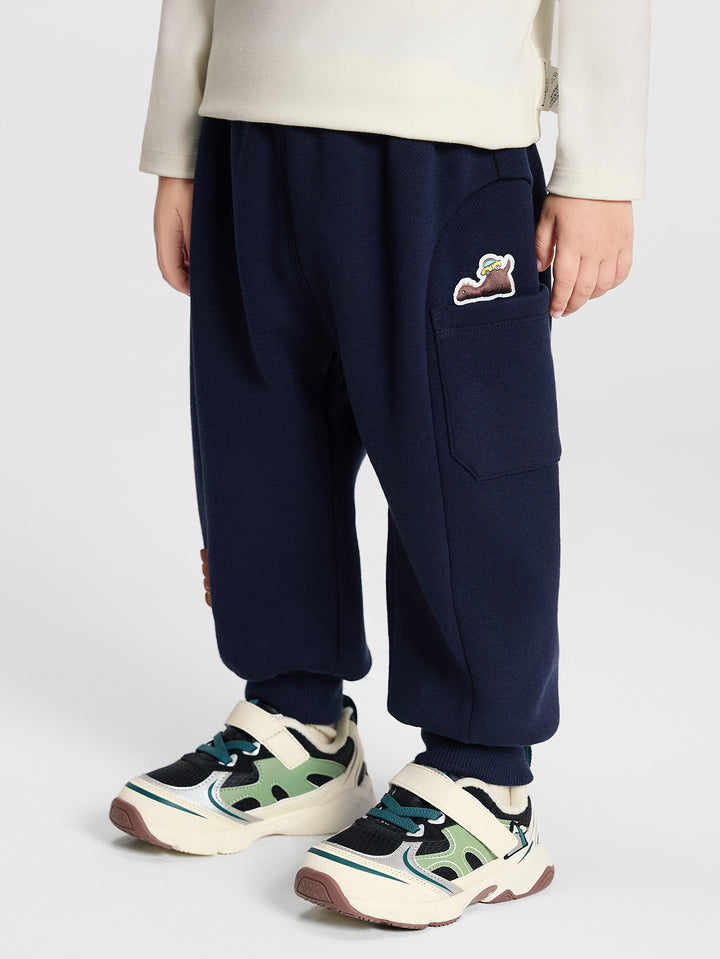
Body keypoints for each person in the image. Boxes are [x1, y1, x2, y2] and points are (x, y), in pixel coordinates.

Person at [110, 0, 650, 928]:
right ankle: (297, 726)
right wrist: (179, 140)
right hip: (249, 122)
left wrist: (600, 166)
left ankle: (485, 781)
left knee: (463, 466)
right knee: (258, 444)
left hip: (446, 132)